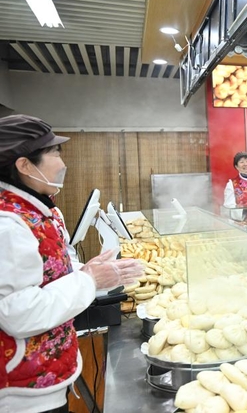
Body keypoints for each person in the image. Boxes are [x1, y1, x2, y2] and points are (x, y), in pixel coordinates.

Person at [0, 115, 143, 413]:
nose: (61, 163)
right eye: (54, 153)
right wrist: (90, 280)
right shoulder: (8, 225)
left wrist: (89, 270)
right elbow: (18, 312)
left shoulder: (36, 211)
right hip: (24, 389)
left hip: (49, 368)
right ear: (24, 165)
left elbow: (45, 275)